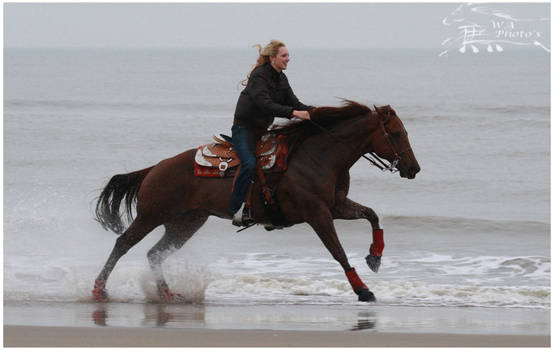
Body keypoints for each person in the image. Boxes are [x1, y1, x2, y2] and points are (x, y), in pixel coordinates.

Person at [230, 39, 313, 226]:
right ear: (272, 58)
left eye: (288, 55)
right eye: (284, 56)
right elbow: (264, 104)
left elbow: (296, 103)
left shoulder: (281, 78)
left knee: (283, 162)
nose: (288, 59)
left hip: (263, 130)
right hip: (244, 130)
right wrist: (293, 113)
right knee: (250, 164)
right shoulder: (259, 76)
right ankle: (236, 210)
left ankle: (271, 208)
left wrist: (321, 113)